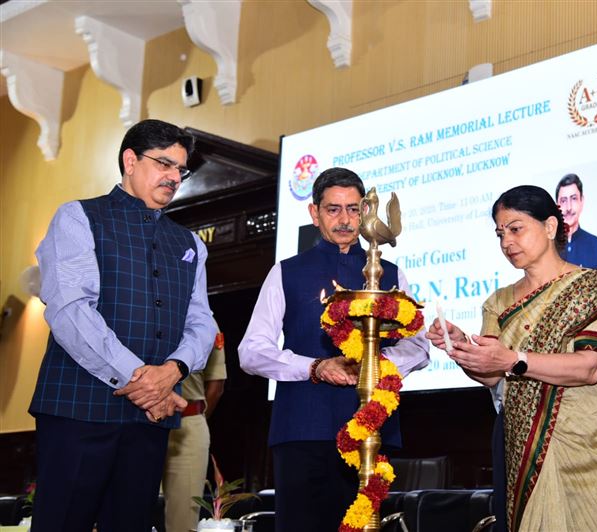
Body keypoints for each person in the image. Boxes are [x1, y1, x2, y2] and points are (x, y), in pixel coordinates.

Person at [428, 185, 597, 531]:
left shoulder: (591, 285)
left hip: (594, 450)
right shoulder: (499, 301)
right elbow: (493, 376)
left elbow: (590, 366)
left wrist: (513, 360)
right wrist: (463, 349)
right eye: (500, 233)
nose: (507, 242)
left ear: (550, 227)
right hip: (527, 447)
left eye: (516, 228)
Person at [29, 119, 217, 532]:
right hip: (80, 409)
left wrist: (173, 371)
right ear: (130, 161)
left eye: (180, 170)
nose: (173, 177)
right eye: (164, 164)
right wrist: (144, 381)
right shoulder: (78, 216)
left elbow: (202, 321)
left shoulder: (190, 244)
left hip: (150, 419)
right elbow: (71, 309)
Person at [238, 167, 430, 532]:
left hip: (371, 427)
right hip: (302, 428)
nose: (345, 220)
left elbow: (418, 347)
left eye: (354, 209)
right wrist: (315, 367)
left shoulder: (389, 274)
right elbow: (251, 351)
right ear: (314, 213)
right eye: (333, 209)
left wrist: (376, 363)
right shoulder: (287, 272)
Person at [162, 321, 227, 532]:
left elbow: (216, 384)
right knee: (129, 507)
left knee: (184, 517)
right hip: (138, 417)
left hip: (188, 423)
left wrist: (195, 418)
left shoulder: (205, 322)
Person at [555, 173, 597, 268]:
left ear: (582, 201)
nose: (569, 208)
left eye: (574, 199)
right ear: (557, 206)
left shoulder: (596, 244)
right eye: (563, 201)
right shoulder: (548, 247)